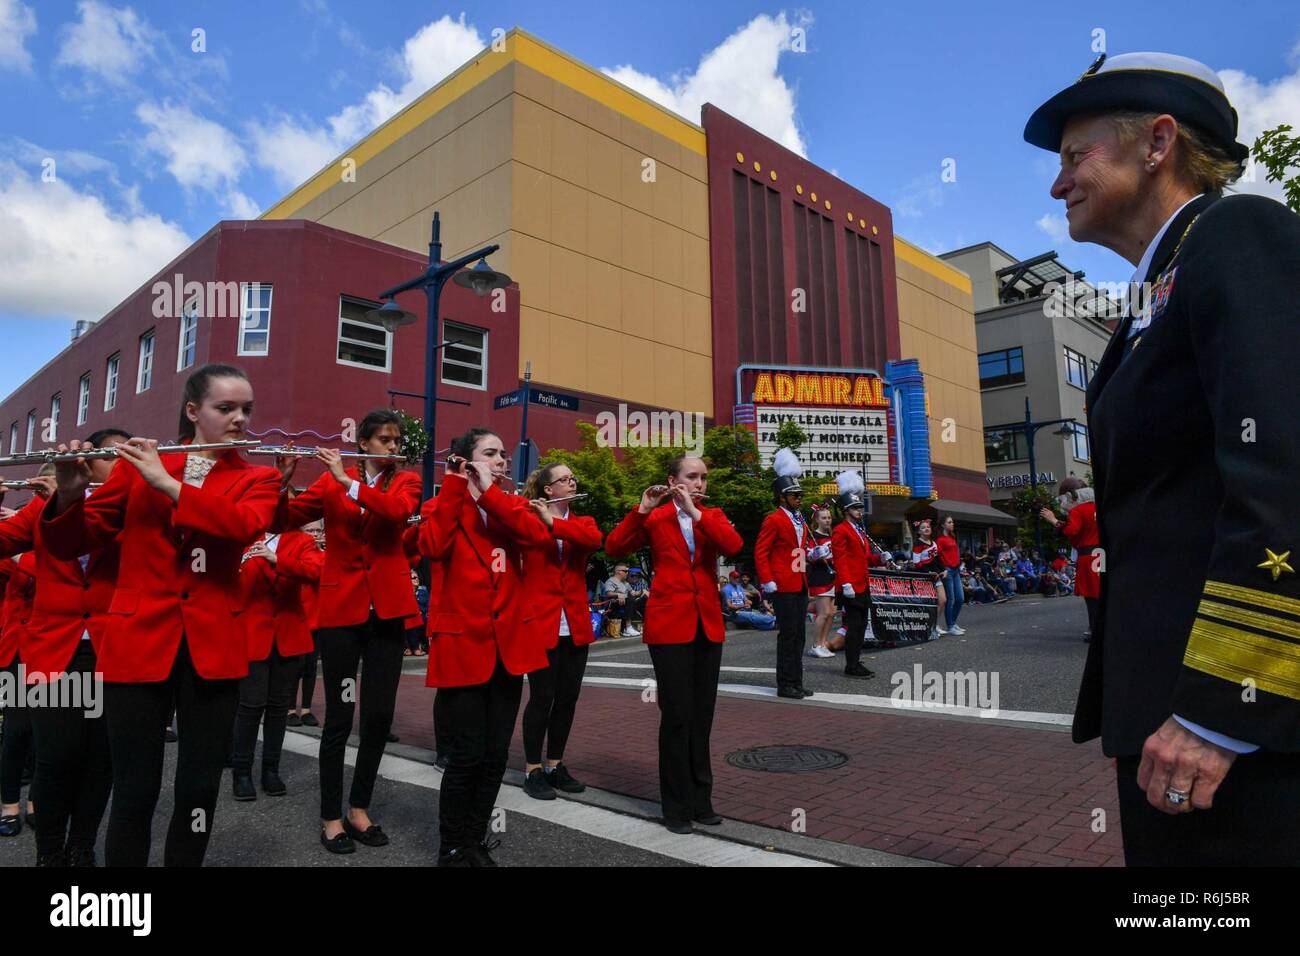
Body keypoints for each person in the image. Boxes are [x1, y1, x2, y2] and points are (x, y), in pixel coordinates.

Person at [1025, 50, 1300, 864]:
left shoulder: (1240, 234)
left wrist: (1223, 707)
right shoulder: (1157, 294)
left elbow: (1282, 474)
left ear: (1158, 143)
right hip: (1172, 723)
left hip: (1234, 733)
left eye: (1076, 156)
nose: (1057, 183)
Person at [43, 364, 281, 866]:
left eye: (246, 409)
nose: (240, 419)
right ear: (193, 411)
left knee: (197, 792)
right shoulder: (135, 466)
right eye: (226, 408)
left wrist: (165, 483)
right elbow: (70, 544)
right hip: (137, 641)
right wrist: (68, 493)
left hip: (213, 647)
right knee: (134, 789)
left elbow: (242, 526)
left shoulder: (258, 476)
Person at [274, 408, 421, 855]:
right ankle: (331, 816)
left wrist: (348, 482)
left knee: (377, 716)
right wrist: (281, 484)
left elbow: (396, 514)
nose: (393, 447)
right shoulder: (330, 482)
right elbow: (285, 519)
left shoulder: (405, 482)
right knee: (339, 716)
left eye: (397, 441)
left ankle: (359, 807)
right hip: (342, 611)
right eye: (385, 440)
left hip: (388, 613)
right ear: (364, 443)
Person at [417, 427, 549, 866]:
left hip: (510, 645)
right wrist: (457, 483)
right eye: (490, 453)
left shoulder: (512, 506)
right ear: (465, 459)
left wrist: (490, 490)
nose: (501, 461)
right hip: (463, 644)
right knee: (467, 754)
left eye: (503, 454)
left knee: (495, 755)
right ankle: (451, 845)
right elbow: (432, 545)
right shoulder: (442, 504)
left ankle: (474, 840)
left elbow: (535, 537)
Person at [0, 432, 129, 866]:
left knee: (102, 760)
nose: (116, 461)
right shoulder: (41, 507)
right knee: (55, 759)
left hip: (116, 653)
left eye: (122, 454)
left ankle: (82, 845)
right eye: (108, 452)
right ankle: (49, 851)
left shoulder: (135, 508)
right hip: (56, 653)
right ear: (87, 459)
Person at [606, 455, 742, 834]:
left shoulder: (711, 516)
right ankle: (675, 806)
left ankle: (701, 800)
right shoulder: (656, 517)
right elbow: (614, 547)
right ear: (673, 480)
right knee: (678, 715)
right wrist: (642, 508)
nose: (699, 484)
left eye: (703, 477)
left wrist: (696, 514)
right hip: (669, 626)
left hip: (707, 625)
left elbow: (733, 545)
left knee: (703, 716)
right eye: (692, 477)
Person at [518, 463, 603, 801]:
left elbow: (592, 541)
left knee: (568, 698)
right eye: (565, 479)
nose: (572, 482)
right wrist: (541, 518)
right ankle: (532, 768)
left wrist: (553, 522)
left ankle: (555, 764)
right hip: (542, 622)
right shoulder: (527, 518)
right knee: (542, 697)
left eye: (573, 478)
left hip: (575, 623)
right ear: (548, 490)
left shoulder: (582, 521)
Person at [230, 522, 324, 801]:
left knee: (278, 707)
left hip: (288, 634)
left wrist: (277, 559)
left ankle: (271, 769)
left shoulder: (300, 540)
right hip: (252, 633)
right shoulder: (243, 536)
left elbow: (317, 571)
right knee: (250, 706)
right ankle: (241, 771)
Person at [755, 449, 812, 699]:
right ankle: (785, 684)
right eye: (794, 495)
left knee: (799, 634)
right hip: (781, 585)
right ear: (782, 497)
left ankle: (796, 681)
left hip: (799, 582)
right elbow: (761, 551)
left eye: (799, 495)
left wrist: (815, 552)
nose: (799, 498)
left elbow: (800, 550)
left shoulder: (800, 520)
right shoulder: (773, 519)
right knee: (788, 635)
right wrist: (767, 579)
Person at [0, 540, 37, 840]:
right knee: (15, 731)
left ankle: (36, 801)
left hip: (56, 650)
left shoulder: (65, 544)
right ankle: (9, 805)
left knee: (46, 734)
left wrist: (23, 555)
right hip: (14, 650)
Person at [830, 472, 883, 678]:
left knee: (861, 627)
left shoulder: (859, 530)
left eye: (860, 507)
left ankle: (855, 661)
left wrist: (881, 559)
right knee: (853, 627)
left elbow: (865, 558)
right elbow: (840, 559)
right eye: (855, 508)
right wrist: (846, 584)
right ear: (846, 510)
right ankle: (851, 666)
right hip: (850, 586)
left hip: (862, 584)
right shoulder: (841, 530)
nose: (859, 510)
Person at [1040, 477, 1101, 642]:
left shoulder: (1078, 510)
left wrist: (1053, 521)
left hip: (1088, 557)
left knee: (1091, 595)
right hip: (1101, 553)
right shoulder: (1098, 507)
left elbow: (1072, 531)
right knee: (1102, 592)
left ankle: (1096, 630)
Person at [288, 519, 325, 726]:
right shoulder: (296, 553)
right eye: (310, 530)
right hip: (296, 618)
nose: (314, 534)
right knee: (296, 667)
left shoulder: (324, 554)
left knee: (311, 667)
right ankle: (290, 708)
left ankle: (306, 709)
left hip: (316, 619)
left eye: (318, 530)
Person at [805, 506, 837, 658]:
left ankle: (823, 643)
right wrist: (815, 554)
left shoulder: (832, 536)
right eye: (824, 518)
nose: (827, 520)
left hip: (832, 576)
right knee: (823, 613)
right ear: (817, 520)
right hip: (819, 577)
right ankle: (815, 645)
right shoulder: (813, 536)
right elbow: (807, 556)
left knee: (831, 613)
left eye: (829, 518)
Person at [910, 519, 946, 639]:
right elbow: (916, 563)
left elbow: (938, 559)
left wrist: (943, 570)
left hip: (935, 576)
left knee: (942, 600)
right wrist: (928, 573)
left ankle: (934, 624)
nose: (926, 529)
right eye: (923, 528)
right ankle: (926, 626)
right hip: (924, 577)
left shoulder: (934, 543)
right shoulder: (917, 544)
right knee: (926, 603)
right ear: (919, 532)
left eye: (928, 527)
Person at [936, 516, 966, 635]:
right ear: (943, 525)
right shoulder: (940, 540)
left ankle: (952, 622)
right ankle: (950, 625)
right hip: (947, 570)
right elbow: (938, 556)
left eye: (952, 521)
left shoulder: (952, 537)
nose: (952, 523)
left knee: (960, 598)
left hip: (956, 570)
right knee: (951, 599)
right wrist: (943, 569)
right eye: (949, 522)